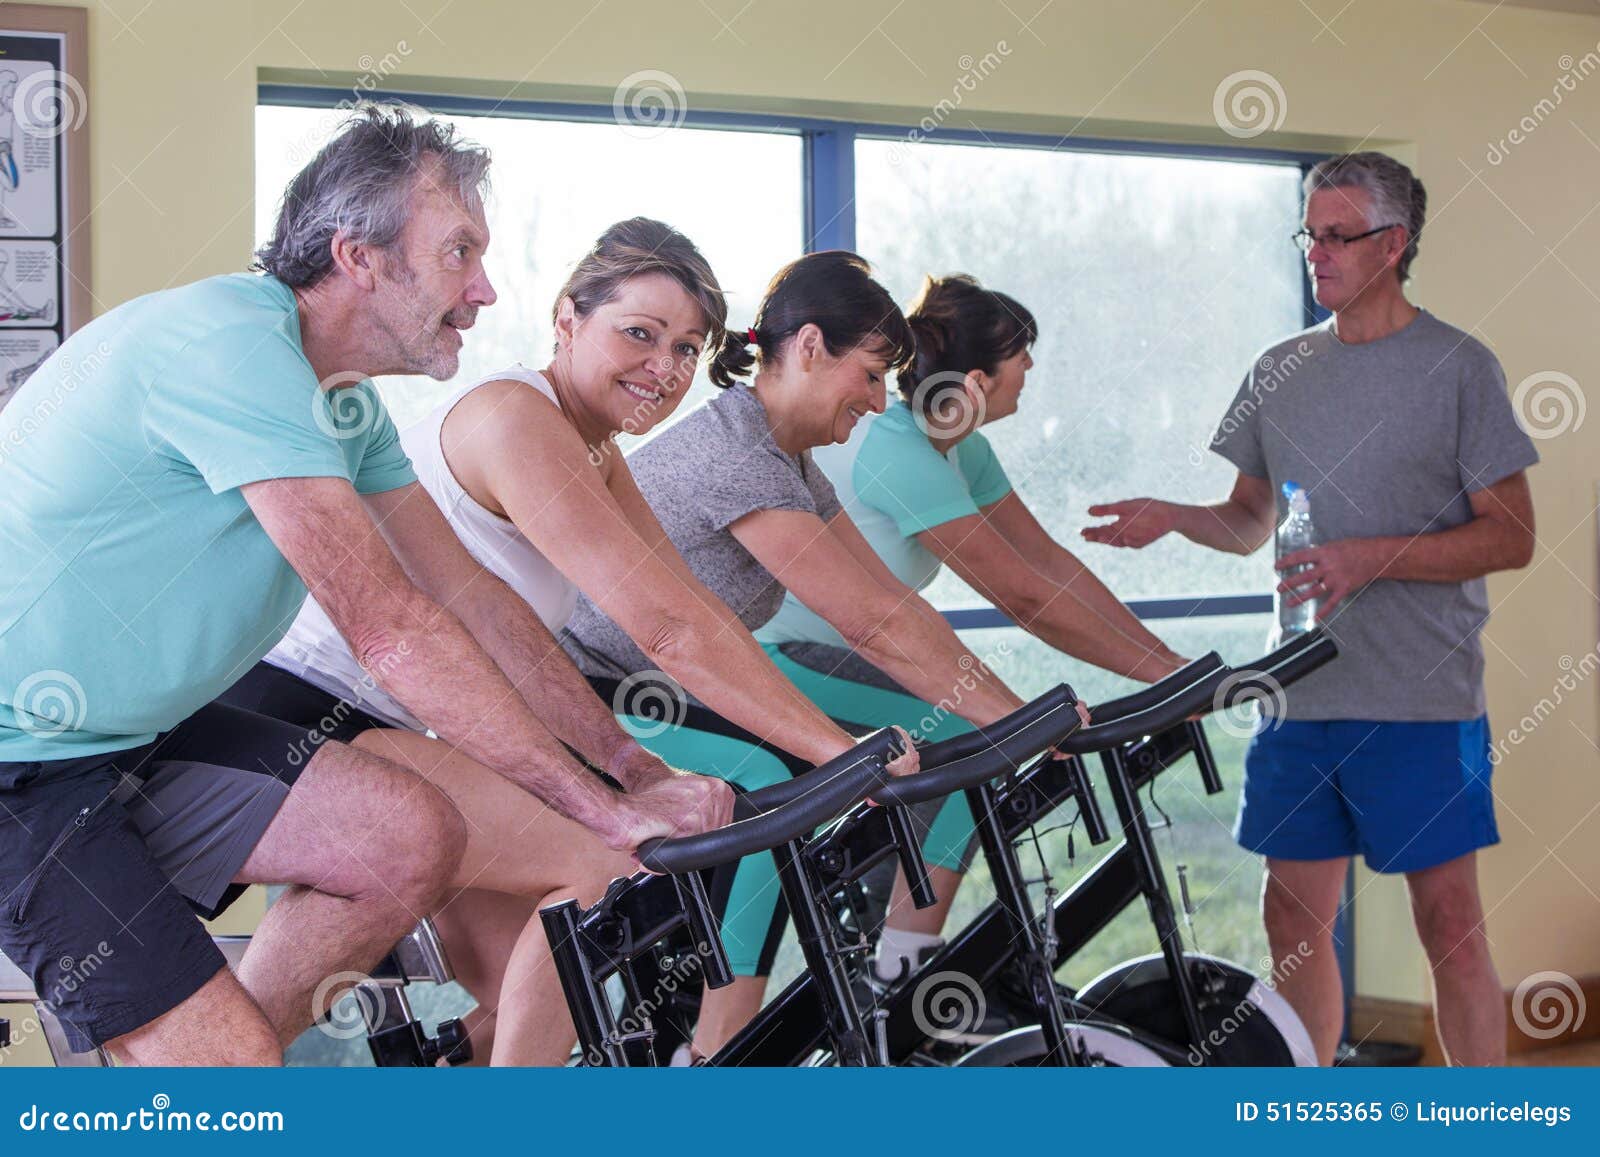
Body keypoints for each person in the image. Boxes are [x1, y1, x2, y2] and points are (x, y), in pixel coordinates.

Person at [0, 105, 723, 1067]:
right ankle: (206, 1076)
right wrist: (603, 812)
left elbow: (465, 594)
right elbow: (391, 629)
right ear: (359, 257)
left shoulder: (342, 397)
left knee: (406, 832)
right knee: (231, 1071)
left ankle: (194, 1080)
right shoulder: (231, 351)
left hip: (134, 732)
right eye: (458, 253)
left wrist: (630, 767)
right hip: (20, 762)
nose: (483, 287)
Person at [226, 217, 914, 1063]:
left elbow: (689, 612)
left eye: (688, 348)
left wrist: (642, 764)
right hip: (313, 713)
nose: (664, 368)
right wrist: (839, 752)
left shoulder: (601, 455)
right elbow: (662, 629)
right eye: (639, 333)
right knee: (600, 869)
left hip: (406, 727)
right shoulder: (516, 417)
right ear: (566, 319)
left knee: (542, 981)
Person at [560, 249, 1087, 1056]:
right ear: (809, 345)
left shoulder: (792, 463)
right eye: (872, 375)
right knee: (769, 790)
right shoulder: (736, 450)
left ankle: (826, 999)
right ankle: (713, 1055)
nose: (878, 402)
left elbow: (890, 608)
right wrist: (1026, 722)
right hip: (599, 688)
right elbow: (870, 623)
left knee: (805, 775)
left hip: (664, 683)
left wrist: (1018, 717)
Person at [1084, 152, 1537, 1066]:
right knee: (1293, 921)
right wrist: (1176, 518)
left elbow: (1511, 536)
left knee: (1448, 924)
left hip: (1421, 701)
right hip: (1296, 699)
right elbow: (1251, 521)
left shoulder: (1459, 368)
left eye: (1338, 236)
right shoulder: (1279, 368)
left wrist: (1369, 560)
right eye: (1309, 234)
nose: (1316, 253)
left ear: (1393, 244)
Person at [755, 272, 1188, 991]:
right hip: (784, 653)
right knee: (971, 746)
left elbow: (1048, 566)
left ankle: (888, 943)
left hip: (856, 647)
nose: (1034, 371)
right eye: (1025, 355)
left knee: (974, 742)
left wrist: (1168, 664)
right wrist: (1159, 673)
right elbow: (1021, 596)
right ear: (980, 379)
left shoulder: (962, 448)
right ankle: (898, 977)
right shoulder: (896, 446)